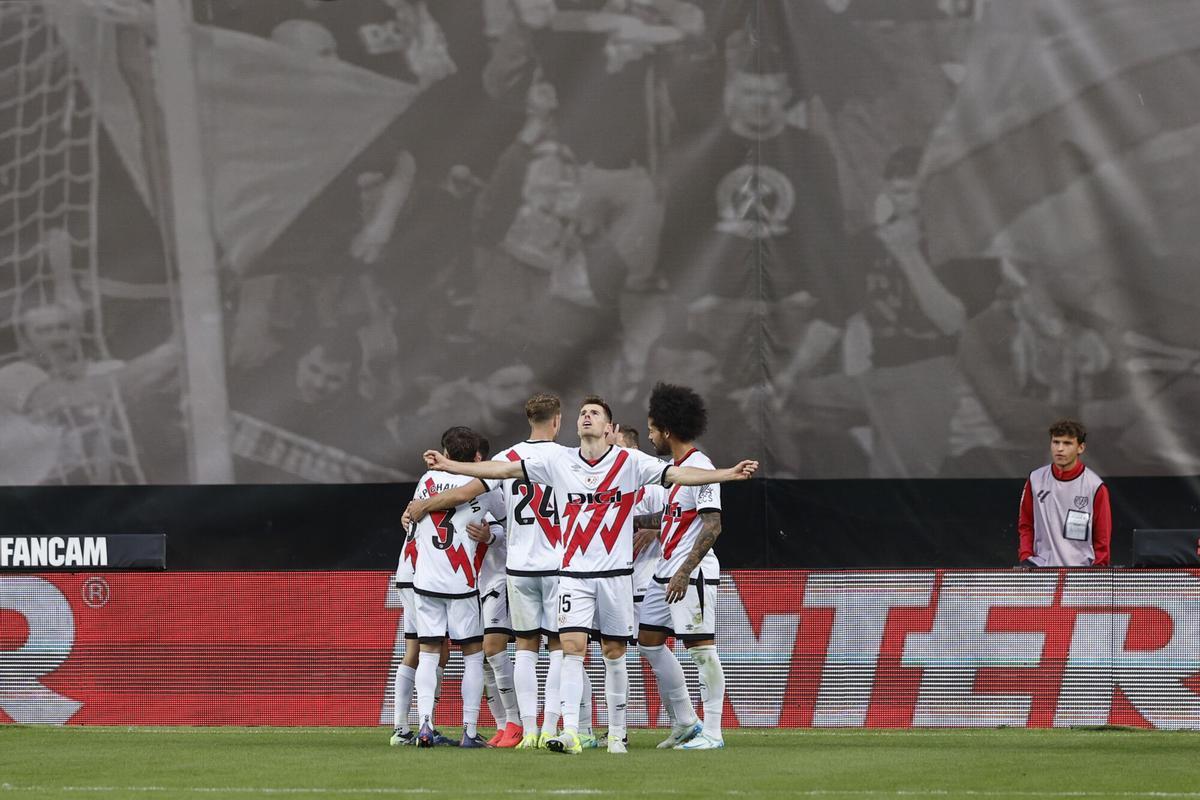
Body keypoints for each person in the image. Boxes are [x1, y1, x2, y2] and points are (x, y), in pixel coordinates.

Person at [417, 395, 757, 754]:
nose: (586, 417)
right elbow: (501, 470)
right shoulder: (557, 459)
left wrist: (727, 474)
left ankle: (617, 734)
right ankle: (570, 732)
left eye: (594, 413)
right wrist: (452, 466)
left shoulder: (629, 461)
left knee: (614, 653)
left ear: (609, 428)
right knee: (572, 650)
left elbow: (678, 474)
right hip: (573, 574)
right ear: (572, 424)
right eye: (582, 413)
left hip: (615, 575)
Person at [637, 383, 725, 749]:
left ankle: (714, 732)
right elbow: (674, 519)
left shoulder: (700, 467)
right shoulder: (674, 470)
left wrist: (686, 571)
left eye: (653, 429)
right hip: (664, 572)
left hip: (691, 573)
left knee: (702, 649)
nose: (650, 435)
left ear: (667, 431)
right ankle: (686, 721)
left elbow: (713, 524)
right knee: (649, 642)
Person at [409, 426, 507, 747]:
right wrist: (491, 532)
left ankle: (424, 724)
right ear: (474, 456)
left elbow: (410, 517)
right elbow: (506, 522)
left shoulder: (427, 481)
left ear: (446, 453)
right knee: (472, 655)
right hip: (462, 581)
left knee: (428, 652)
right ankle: (468, 730)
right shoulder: (485, 486)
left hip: (426, 580)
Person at [1017, 419, 1111, 568]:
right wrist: (1026, 556)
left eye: (1067, 443)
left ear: (1081, 448)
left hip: (1080, 573)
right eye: (1056, 442)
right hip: (1040, 569)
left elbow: (1102, 536)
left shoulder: (1094, 486)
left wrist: (1098, 569)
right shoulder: (1035, 480)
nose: (1060, 449)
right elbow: (1026, 524)